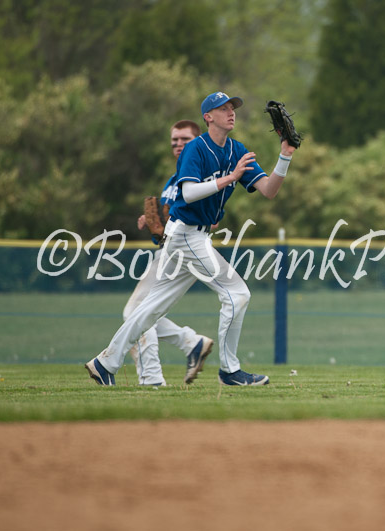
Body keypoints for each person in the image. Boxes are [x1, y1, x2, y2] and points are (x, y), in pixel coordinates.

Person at [86, 91, 295, 386]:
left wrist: (284, 155)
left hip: (189, 237)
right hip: (187, 235)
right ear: (208, 117)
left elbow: (269, 190)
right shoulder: (195, 149)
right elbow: (189, 192)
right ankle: (230, 371)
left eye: (232, 107)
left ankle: (104, 363)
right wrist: (229, 178)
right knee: (237, 294)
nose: (231, 112)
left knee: (150, 308)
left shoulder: (236, 150)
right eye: (223, 109)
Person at [125, 119, 214, 386]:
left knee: (137, 312)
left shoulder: (200, 171)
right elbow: (167, 218)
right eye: (174, 140)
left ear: (197, 142)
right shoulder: (175, 178)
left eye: (184, 139)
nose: (178, 144)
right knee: (139, 312)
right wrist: (149, 220)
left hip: (183, 250)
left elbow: (211, 215)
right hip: (170, 250)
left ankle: (152, 376)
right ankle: (192, 343)